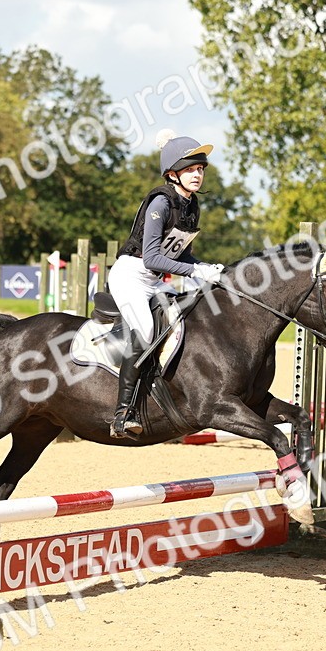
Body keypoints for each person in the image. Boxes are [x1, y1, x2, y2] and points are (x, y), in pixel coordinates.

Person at [105, 129, 225, 439]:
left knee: (189, 316)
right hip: (131, 275)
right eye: (190, 169)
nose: (198, 174)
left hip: (155, 281)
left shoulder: (191, 205)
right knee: (145, 329)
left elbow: (183, 253)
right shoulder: (160, 202)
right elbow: (153, 259)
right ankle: (122, 413)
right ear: (173, 174)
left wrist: (206, 267)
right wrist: (194, 272)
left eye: (200, 169)